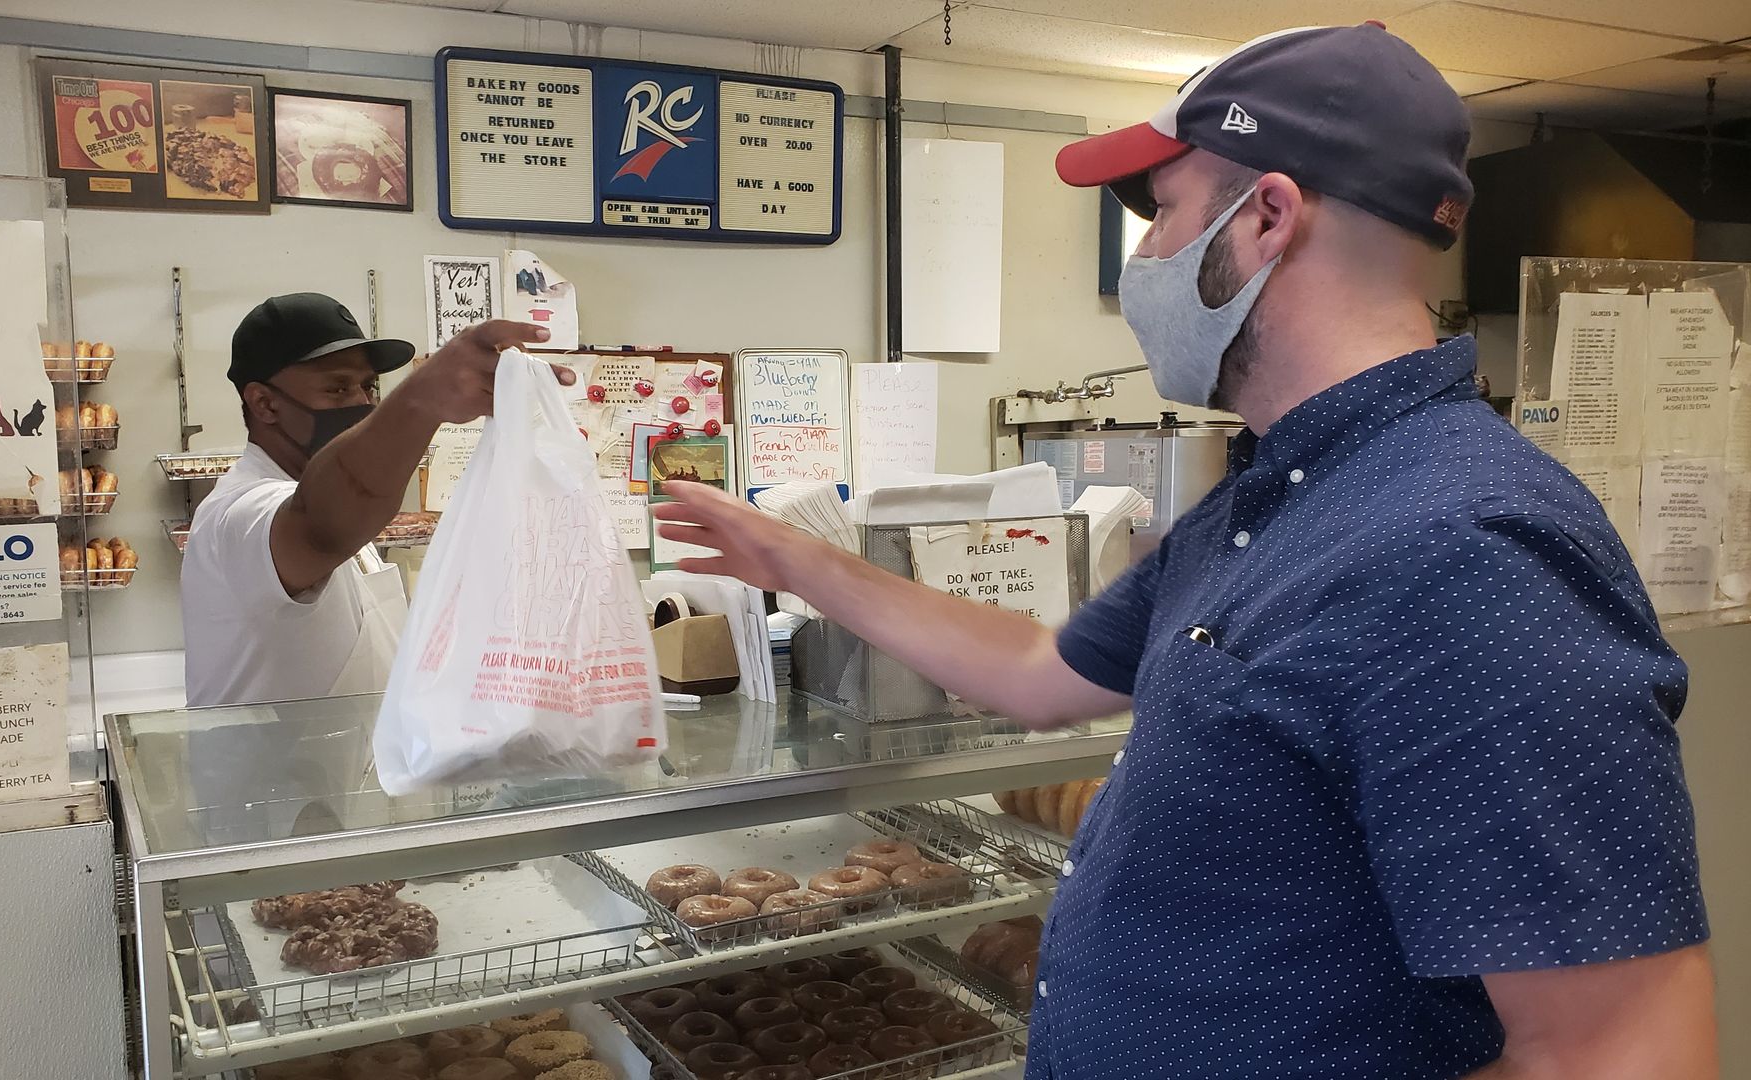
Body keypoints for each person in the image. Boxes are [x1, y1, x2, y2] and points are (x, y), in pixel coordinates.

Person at [655, 23, 1717, 1080]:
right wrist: (793, 558)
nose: (1146, 260)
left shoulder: (1464, 552)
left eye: (1162, 214)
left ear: (1267, 219)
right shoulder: (1273, 500)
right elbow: (1036, 674)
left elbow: (1626, 1051)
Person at [181, 292, 563, 707]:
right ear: (264, 402)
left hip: (350, 766)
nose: (362, 404)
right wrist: (422, 400)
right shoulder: (237, 514)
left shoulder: (329, 502)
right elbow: (322, 525)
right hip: (271, 772)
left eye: (368, 386)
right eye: (338, 388)